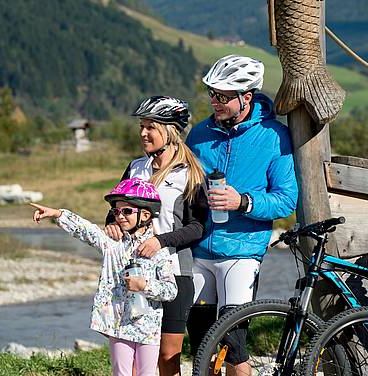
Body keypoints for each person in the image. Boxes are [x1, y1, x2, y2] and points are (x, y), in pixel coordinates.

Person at [184, 55, 298, 376]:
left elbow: (286, 200)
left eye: (222, 96)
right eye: (212, 94)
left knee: (233, 347)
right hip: (199, 251)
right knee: (203, 343)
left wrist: (243, 201)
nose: (214, 101)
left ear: (245, 97)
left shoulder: (274, 136)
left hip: (242, 252)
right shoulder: (200, 134)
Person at [31, 178, 177, 376]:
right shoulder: (112, 243)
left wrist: (145, 286)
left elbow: (171, 290)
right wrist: (57, 214)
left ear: (145, 214)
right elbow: (86, 230)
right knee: (120, 373)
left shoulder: (157, 250)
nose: (120, 216)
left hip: (148, 327)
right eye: (116, 211)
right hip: (118, 325)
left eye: (126, 211)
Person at [104, 96, 207, 376]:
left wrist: (161, 241)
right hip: (133, 270)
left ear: (170, 131)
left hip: (174, 271)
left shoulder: (192, 174)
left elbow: (198, 227)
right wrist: (112, 222)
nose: (143, 133)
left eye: (150, 127)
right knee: (134, 353)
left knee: (167, 354)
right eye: (141, 126)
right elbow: (117, 209)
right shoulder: (136, 168)